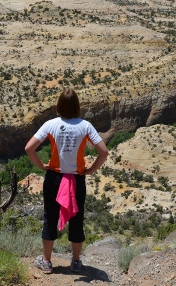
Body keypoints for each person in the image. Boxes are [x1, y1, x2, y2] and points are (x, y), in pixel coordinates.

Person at [24, 88, 109, 274]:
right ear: (77, 106)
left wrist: (41, 166)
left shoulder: (50, 125)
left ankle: (46, 261)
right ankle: (76, 262)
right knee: (77, 220)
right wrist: (90, 170)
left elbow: (29, 148)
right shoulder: (85, 126)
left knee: (50, 218)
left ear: (59, 106)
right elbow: (103, 152)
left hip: (54, 178)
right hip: (77, 179)